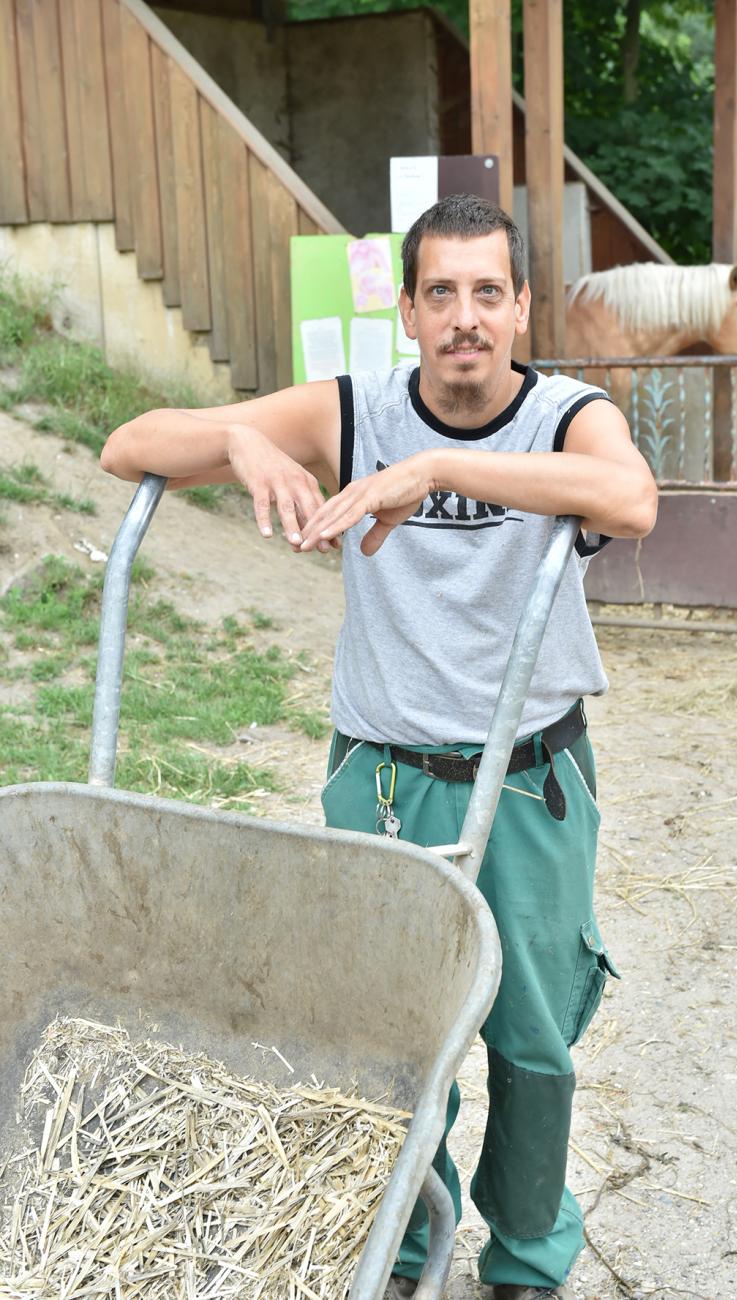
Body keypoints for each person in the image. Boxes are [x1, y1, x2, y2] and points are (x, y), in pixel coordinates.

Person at [101, 194, 657, 1299]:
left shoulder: (563, 414)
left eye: (487, 293)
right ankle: (405, 1244)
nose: (465, 318)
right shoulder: (358, 408)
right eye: (440, 292)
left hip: (530, 780)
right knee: (394, 1042)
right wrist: (244, 438)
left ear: (521, 306)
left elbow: (628, 496)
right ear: (406, 309)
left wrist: (440, 472)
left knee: (534, 1042)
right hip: (390, 782)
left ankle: (530, 1255)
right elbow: (131, 446)